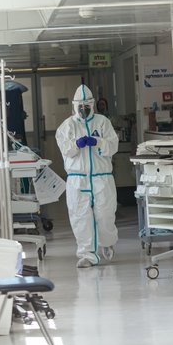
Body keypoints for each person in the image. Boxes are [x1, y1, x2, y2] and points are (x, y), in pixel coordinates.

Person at [56, 84, 119, 268]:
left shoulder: (102, 122)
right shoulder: (67, 126)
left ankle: (107, 243)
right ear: (75, 106)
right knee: (80, 217)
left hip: (102, 177)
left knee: (105, 215)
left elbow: (113, 146)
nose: (84, 110)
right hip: (77, 179)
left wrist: (98, 142)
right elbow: (65, 149)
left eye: (87, 106)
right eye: (80, 106)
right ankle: (87, 255)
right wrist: (76, 144)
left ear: (92, 105)